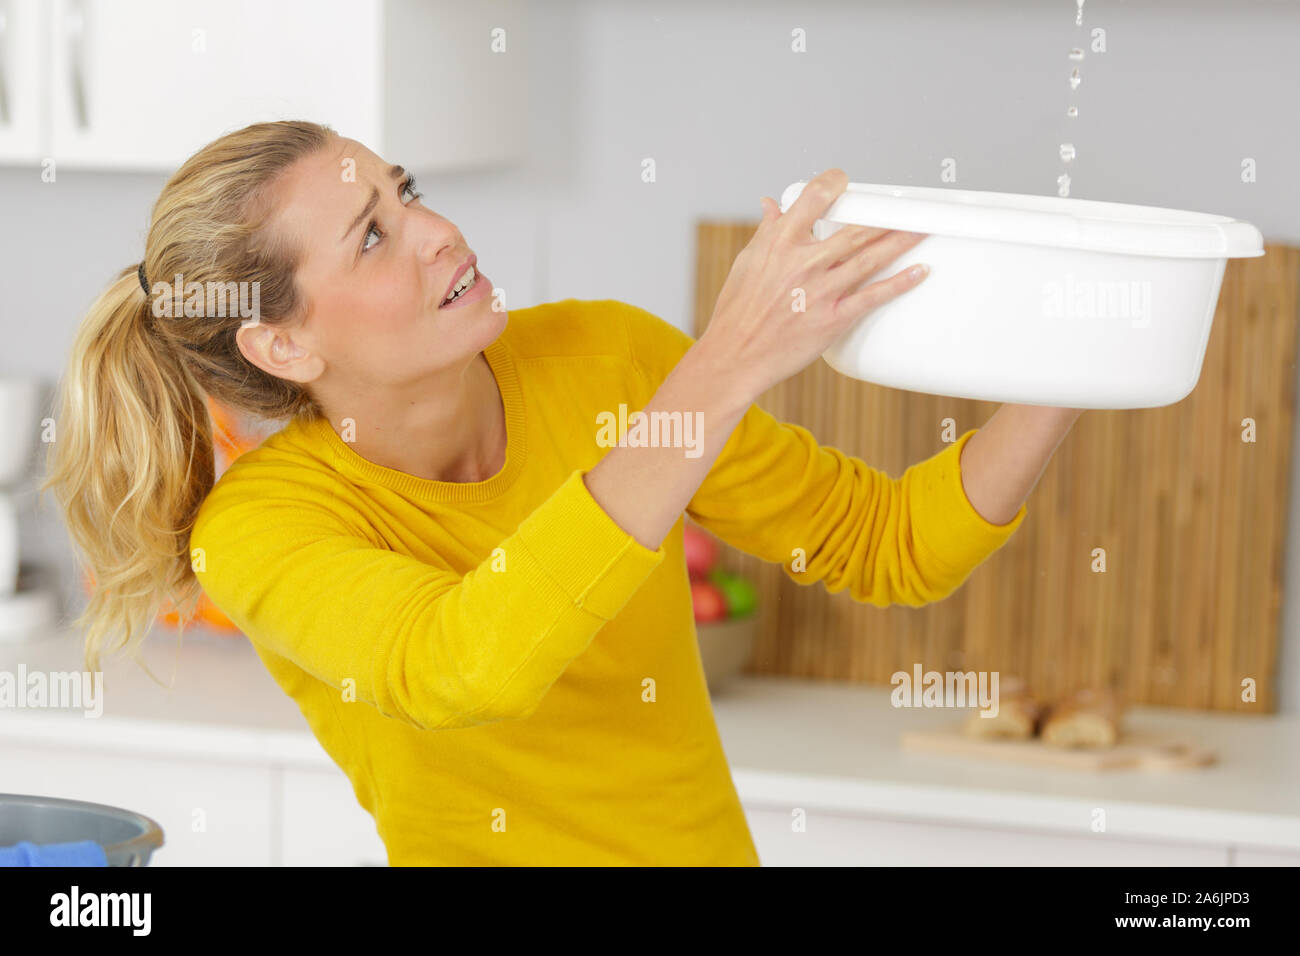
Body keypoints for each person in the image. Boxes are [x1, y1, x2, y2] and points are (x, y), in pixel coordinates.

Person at [42, 120, 1080, 865]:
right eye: (372, 234)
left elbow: (889, 542)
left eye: (405, 193)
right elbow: (462, 666)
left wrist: (1081, 357)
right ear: (283, 342)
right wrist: (724, 365)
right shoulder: (262, 528)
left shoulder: (607, 357)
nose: (437, 231)